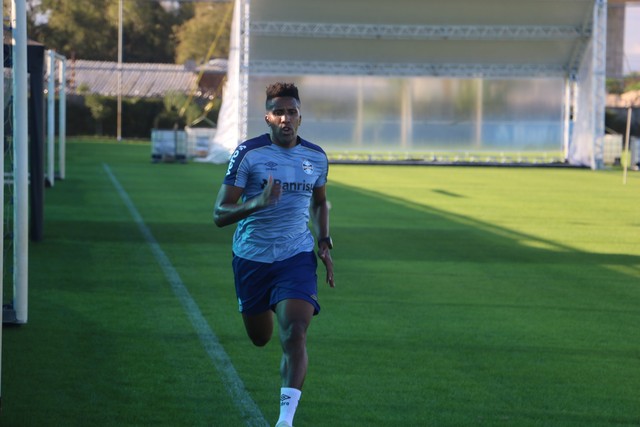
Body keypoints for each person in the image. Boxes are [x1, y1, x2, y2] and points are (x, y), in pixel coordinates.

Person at [213, 82, 335, 427]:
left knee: (295, 332)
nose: (285, 118)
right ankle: (266, 302)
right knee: (261, 338)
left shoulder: (315, 156)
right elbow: (220, 214)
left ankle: (285, 419)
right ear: (267, 117)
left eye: (291, 112)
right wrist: (257, 202)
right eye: (278, 112)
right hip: (252, 257)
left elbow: (321, 200)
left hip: (295, 256)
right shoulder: (249, 154)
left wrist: (324, 240)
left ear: (300, 117)